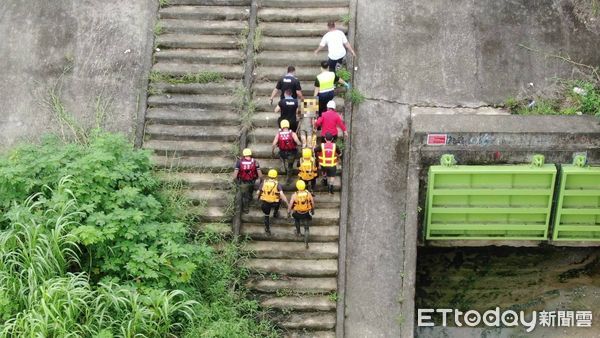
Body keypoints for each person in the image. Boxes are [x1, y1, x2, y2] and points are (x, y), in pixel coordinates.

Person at [257, 169, 289, 235]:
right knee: (279, 200)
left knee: (266, 216)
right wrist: (286, 202)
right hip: (274, 203)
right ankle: (275, 213)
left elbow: (257, 192)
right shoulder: (277, 184)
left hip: (265, 203)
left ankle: (267, 230)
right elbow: (282, 194)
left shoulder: (264, 183)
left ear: (268, 175)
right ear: (276, 176)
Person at [232, 148, 262, 213]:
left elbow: (234, 176)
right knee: (250, 191)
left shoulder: (239, 162)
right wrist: (261, 180)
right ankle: (250, 197)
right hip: (252, 181)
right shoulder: (255, 162)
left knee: (244, 197)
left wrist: (237, 183)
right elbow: (260, 174)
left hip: (243, 182)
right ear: (250, 154)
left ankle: (246, 209)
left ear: (244, 154)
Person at [288, 180, 315, 248]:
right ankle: (306, 243)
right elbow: (312, 202)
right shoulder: (308, 193)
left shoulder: (294, 195)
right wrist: (312, 210)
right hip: (306, 213)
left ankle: (298, 232)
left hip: (297, 213)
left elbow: (290, 204)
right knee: (306, 228)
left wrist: (288, 212)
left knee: (297, 220)